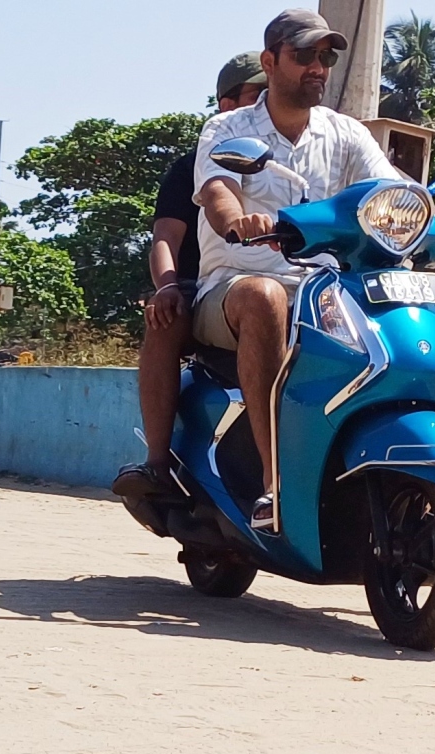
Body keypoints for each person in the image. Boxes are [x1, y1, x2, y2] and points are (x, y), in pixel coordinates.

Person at [190, 8, 435, 529]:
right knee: (266, 297)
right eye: (303, 55)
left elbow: (398, 193)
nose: (318, 66)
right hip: (234, 287)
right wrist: (238, 220)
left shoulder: (345, 133)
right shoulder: (228, 128)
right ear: (270, 61)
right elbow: (219, 190)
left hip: (321, 290)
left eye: (325, 57)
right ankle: (272, 482)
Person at [113, 53, 268, 504]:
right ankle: (158, 463)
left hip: (292, 285)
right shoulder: (192, 167)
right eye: (255, 95)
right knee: (165, 319)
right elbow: (166, 236)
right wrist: (165, 287)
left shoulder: (306, 159)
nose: (264, 105)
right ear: (226, 104)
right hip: (205, 288)